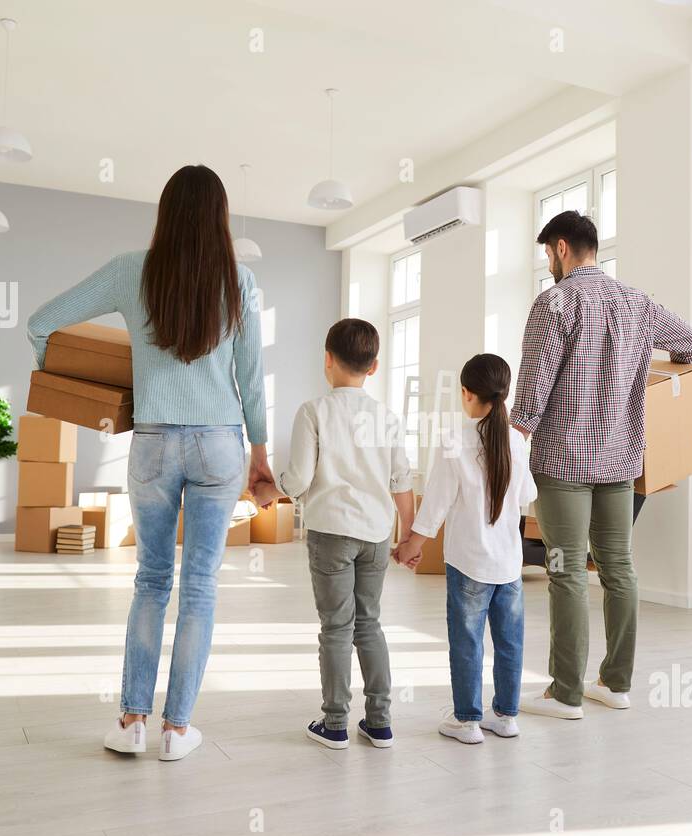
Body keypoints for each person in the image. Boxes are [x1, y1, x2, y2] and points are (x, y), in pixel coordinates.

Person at [26, 165, 271, 761]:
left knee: (151, 583)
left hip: (153, 444)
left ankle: (132, 721)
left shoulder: (130, 270)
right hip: (219, 443)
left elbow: (41, 322)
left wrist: (64, 376)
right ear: (220, 217)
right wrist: (260, 456)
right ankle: (176, 730)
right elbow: (251, 381)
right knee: (201, 589)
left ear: (165, 212)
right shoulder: (240, 281)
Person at [512, 210, 692, 720]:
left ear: (562, 248)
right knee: (619, 568)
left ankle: (566, 693)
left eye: (547, 253)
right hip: (621, 458)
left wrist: (508, 440)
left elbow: (530, 398)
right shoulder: (638, 303)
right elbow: (689, 342)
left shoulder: (554, 302)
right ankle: (615, 684)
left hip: (564, 458)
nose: (548, 263)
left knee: (567, 569)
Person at [253, 319, 414, 750]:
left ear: (327, 360)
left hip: (330, 534)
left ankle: (336, 723)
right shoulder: (387, 417)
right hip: (377, 534)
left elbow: (299, 478)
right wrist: (409, 537)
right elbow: (402, 481)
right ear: (374, 366)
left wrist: (269, 490)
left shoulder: (314, 411)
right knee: (370, 624)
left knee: (336, 628)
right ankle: (379, 722)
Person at [394, 354, 537, 744]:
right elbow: (528, 494)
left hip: (469, 561)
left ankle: (468, 721)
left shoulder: (454, 438)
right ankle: (506, 716)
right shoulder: (516, 439)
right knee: (509, 641)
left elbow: (437, 503)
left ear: (467, 393)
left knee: (467, 640)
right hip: (508, 562)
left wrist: (411, 545)